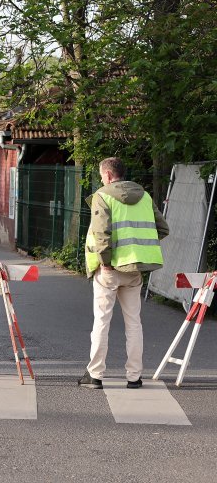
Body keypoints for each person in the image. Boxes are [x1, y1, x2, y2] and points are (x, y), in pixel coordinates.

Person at [78, 157, 169, 389]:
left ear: (108, 175)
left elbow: (102, 233)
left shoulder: (102, 195)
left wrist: (105, 261)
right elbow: (163, 228)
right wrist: (138, 248)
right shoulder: (145, 197)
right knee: (134, 323)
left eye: (101, 176)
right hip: (134, 269)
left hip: (109, 269)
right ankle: (134, 377)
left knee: (102, 321)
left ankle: (95, 375)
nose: (101, 179)